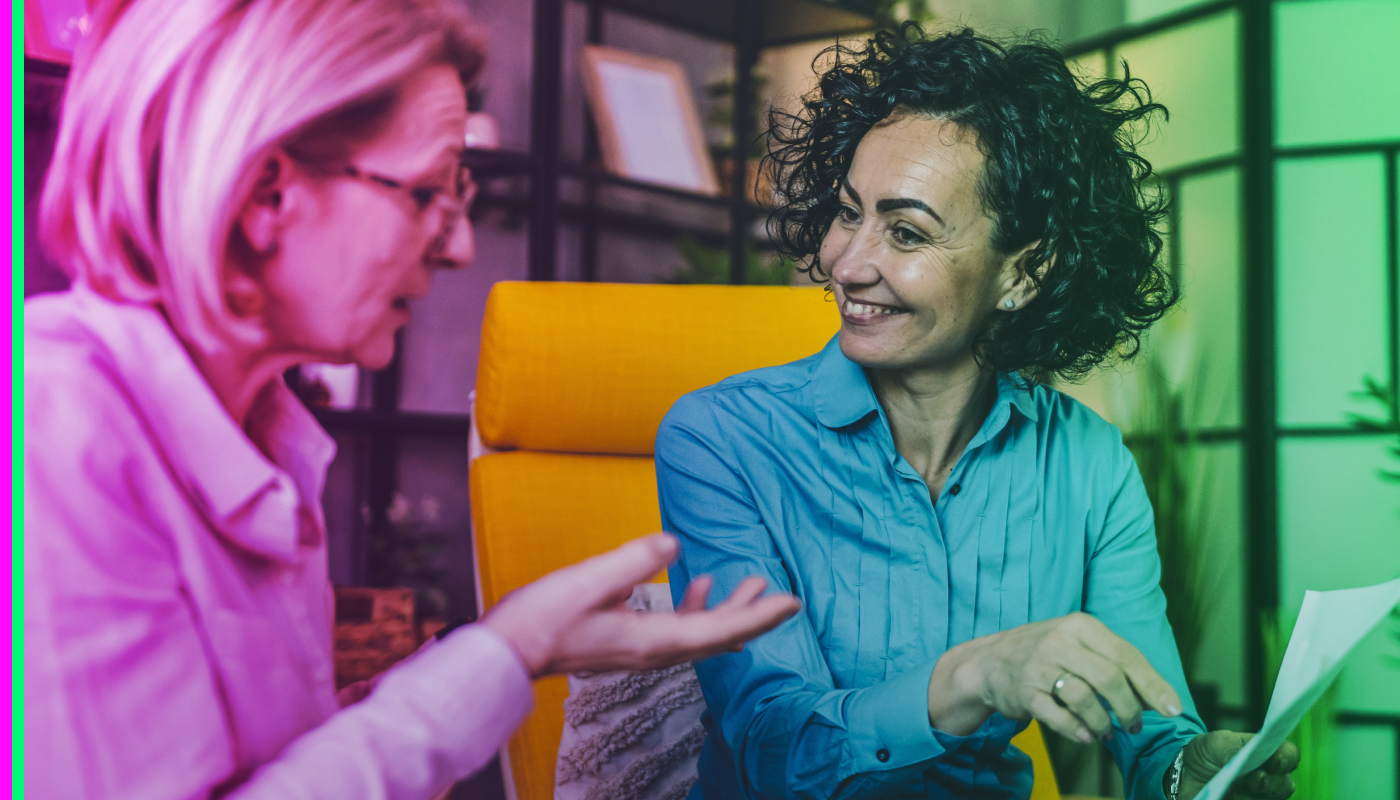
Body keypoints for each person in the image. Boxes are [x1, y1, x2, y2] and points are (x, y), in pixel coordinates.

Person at [23, 1, 800, 798]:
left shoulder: (266, 435)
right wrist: (508, 650)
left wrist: (518, 652)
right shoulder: (54, 434)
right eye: (426, 191)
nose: (459, 245)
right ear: (266, 193)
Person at [656, 25, 1298, 800]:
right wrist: (976, 674)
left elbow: (1151, 729)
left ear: (1023, 273)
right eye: (848, 212)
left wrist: (1183, 772)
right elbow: (773, 748)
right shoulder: (722, 441)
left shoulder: (1089, 464)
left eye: (905, 231)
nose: (848, 263)